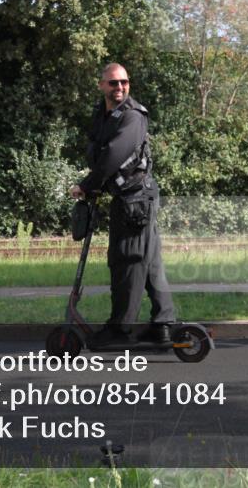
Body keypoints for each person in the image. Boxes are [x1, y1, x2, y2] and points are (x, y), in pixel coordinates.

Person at [69, 63, 176, 347]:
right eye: (114, 83)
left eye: (124, 82)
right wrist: (97, 181)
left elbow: (114, 154)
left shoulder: (132, 116)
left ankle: (120, 330)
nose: (120, 88)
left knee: (126, 261)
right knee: (149, 263)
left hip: (135, 199)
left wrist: (87, 185)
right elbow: (97, 148)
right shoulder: (103, 114)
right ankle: (163, 326)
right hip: (129, 197)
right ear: (102, 85)